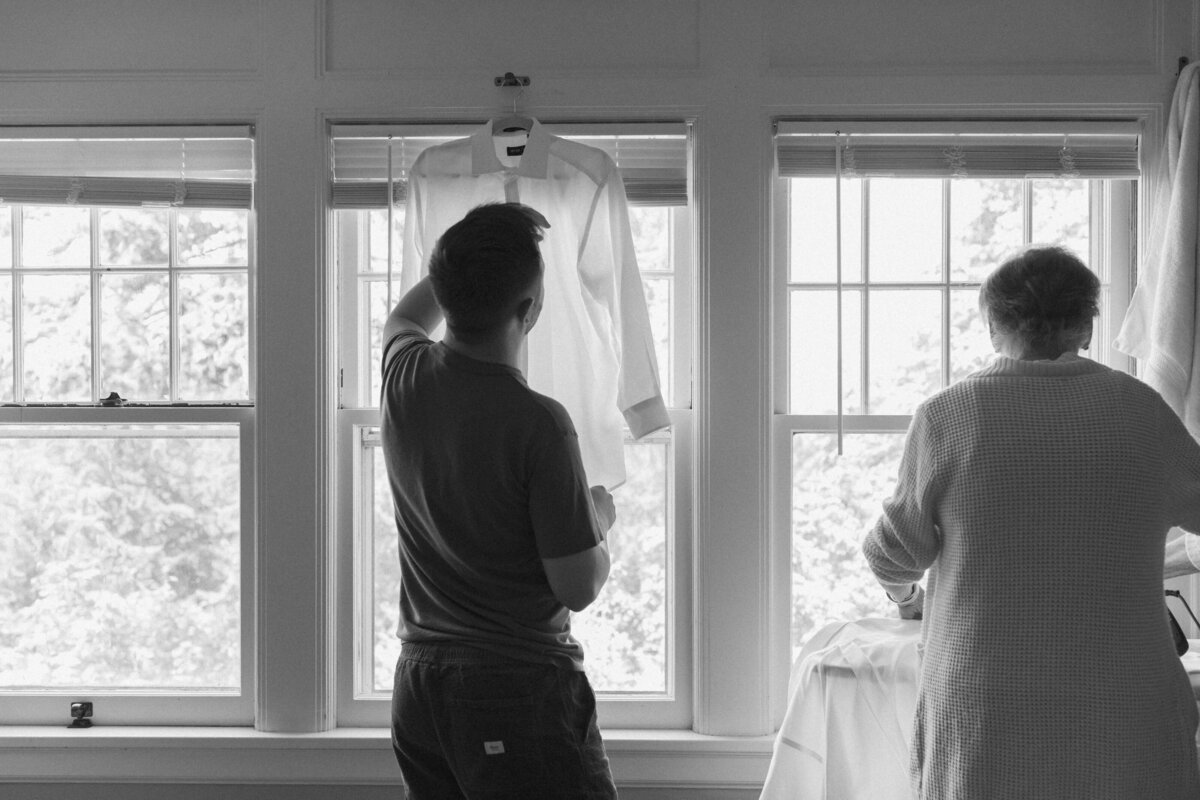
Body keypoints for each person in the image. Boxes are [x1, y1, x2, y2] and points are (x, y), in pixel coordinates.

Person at [862, 245, 1200, 800]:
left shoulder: (950, 415)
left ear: (993, 324)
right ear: (1087, 327)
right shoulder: (1141, 411)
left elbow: (891, 554)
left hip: (985, 704)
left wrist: (905, 597)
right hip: (1126, 701)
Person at [381, 202, 620, 799]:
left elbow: (409, 312)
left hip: (419, 686)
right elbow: (578, 586)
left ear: (445, 289)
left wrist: (476, 243)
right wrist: (599, 514)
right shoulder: (538, 423)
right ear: (529, 309)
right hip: (514, 690)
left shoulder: (403, 374)